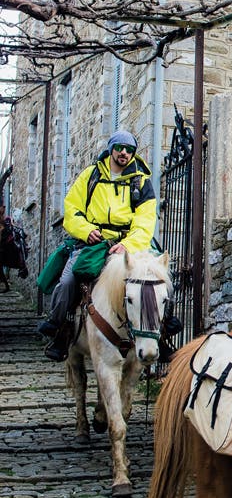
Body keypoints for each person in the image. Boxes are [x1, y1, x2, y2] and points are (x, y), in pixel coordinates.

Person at [37, 130, 158, 360]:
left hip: (127, 244)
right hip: (92, 242)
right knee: (67, 282)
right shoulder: (90, 175)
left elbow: (145, 220)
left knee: (156, 280)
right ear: (111, 148)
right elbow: (71, 211)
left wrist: (128, 244)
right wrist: (86, 230)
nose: (124, 153)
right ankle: (60, 329)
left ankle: (162, 334)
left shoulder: (141, 182)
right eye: (120, 147)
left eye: (129, 149)